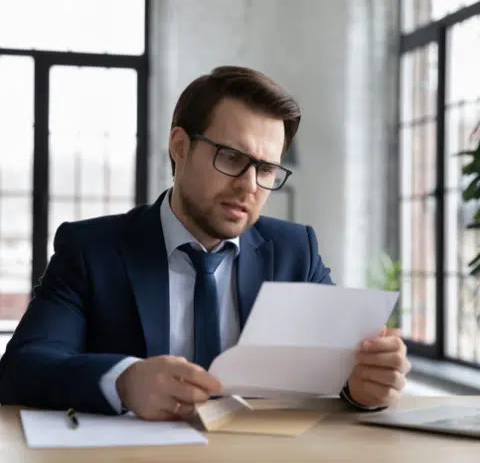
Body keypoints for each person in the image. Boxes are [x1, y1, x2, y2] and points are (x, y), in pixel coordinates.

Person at [0, 66, 411, 420]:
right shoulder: (91, 250)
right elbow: (23, 367)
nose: (249, 185)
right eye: (232, 158)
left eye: (266, 169)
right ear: (180, 147)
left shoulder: (294, 251)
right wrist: (124, 382)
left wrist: (363, 387)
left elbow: (336, 367)